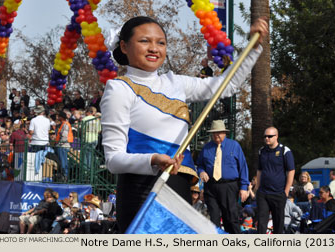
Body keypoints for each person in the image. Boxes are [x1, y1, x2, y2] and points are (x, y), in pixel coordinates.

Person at [101, 16, 268, 233]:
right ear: (124, 46)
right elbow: (113, 160)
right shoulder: (118, 89)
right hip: (142, 191)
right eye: (144, 41)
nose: (154, 48)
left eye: (161, 42)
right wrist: (153, 159)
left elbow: (225, 86)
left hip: (179, 188)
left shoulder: (176, 83)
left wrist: (253, 48)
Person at [197, 120, 249, 233]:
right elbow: (200, 165)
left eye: (219, 132)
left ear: (225, 133)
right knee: (213, 219)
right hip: (211, 187)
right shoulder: (206, 148)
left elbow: (243, 167)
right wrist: (201, 172)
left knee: (231, 218)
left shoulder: (234, 146)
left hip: (229, 187)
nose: (217, 135)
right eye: (214, 132)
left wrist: (244, 188)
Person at [256, 126, 295, 234]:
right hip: (263, 193)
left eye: (270, 136)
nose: (266, 138)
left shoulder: (284, 151)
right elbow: (259, 170)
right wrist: (257, 188)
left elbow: (291, 171)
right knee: (261, 221)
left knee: (278, 222)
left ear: (276, 136)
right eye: (265, 136)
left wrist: (286, 191)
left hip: (278, 193)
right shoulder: (262, 151)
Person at [55, 111, 73, 179]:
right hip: (62, 145)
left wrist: (59, 143)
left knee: (63, 161)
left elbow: (64, 136)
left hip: (63, 146)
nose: (57, 118)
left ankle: (64, 176)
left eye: (58, 116)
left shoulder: (65, 124)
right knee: (63, 161)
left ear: (61, 117)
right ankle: (64, 175)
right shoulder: (63, 124)